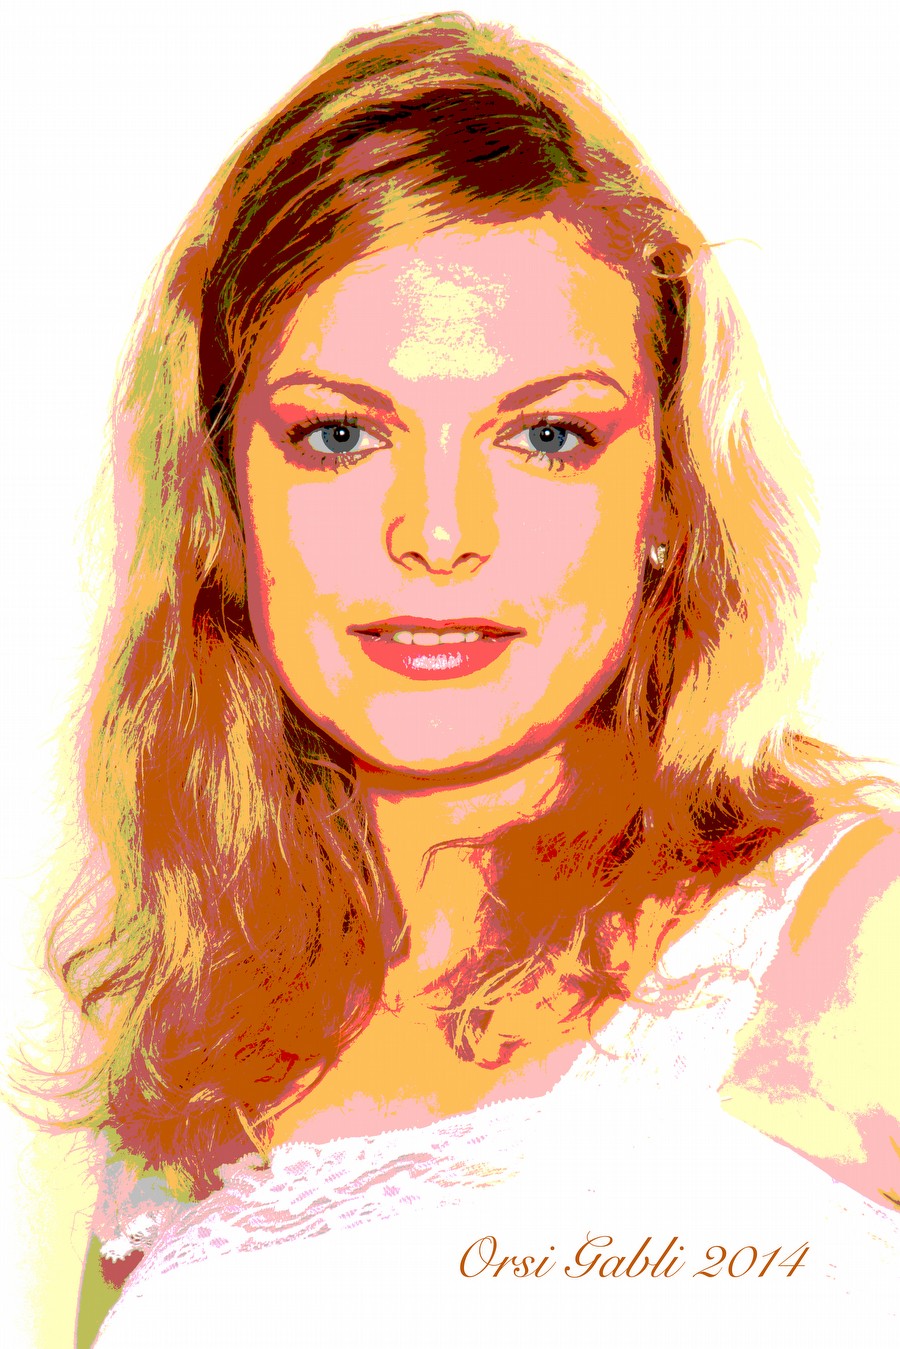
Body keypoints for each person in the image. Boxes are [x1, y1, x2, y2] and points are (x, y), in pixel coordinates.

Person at [19, 11, 900, 1346]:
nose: (438, 532)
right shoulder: (183, 1078)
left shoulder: (853, 941)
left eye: (546, 436)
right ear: (223, 500)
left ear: (668, 497)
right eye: (338, 436)